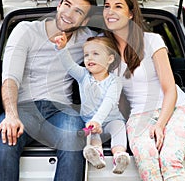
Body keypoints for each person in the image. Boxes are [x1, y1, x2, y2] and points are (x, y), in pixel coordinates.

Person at [0, 0, 97, 181]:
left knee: (74, 137)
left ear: (85, 21)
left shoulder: (87, 38)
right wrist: (11, 116)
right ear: (58, 5)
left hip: (60, 111)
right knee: (6, 137)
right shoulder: (26, 31)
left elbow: (115, 48)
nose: (69, 14)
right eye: (67, 5)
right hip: (24, 109)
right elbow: (10, 77)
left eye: (78, 12)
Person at [102, 0, 185, 180]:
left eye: (117, 6)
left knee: (170, 159)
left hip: (175, 109)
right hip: (138, 116)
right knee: (148, 161)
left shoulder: (152, 41)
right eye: (106, 6)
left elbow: (170, 90)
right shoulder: (105, 53)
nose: (110, 11)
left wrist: (160, 124)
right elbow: (118, 100)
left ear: (130, 14)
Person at [55, 34, 130, 174]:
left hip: (111, 119)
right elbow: (69, 65)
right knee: (92, 134)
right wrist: (62, 49)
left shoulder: (115, 81)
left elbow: (109, 101)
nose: (89, 58)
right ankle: (96, 154)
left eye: (96, 54)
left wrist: (98, 120)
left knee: (119, 128)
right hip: (90, 120)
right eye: (86, 55)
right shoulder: (83, 75)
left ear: (110, 59)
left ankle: (119, 155)